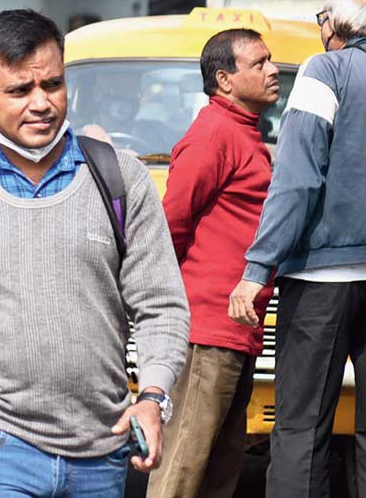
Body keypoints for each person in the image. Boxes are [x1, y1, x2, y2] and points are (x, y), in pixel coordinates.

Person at [0, 9, 190, 498]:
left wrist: (153, 396)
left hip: (102, 448)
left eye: (52, 85)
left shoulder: (120, 181)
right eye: (18, 91)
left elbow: (161, 306)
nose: (41, 104)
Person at [229, 0, 366, 496]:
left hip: (323, 280)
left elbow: (297, 179)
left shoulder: (325, 70)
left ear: (336, 22)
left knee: (301, 430)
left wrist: (257, 267)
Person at [146, 28, 279, 498]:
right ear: (224, 79)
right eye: (259, 63)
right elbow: (170, 225)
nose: (272, 71)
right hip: (207, 328)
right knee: (183, 463)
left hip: (237, 327)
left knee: (220, 466)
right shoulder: (214, 134)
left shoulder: (243, 133)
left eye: (270, 61)